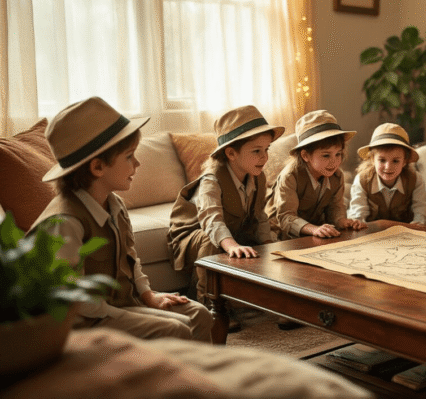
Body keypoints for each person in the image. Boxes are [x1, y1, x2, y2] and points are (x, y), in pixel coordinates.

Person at [29, 97, 213, 342]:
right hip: (87, 321)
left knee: (198, 314)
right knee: (175, 328)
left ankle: (199, 378)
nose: (137, 163)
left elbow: (130, 260)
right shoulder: (65, 222)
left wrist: (148, 296)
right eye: (129, 156)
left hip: (123, 304)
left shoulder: (115, 204)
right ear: (97, 167)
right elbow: (76, 302)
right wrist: (135, 315)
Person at [167, 105, 284, 306]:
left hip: (234, 229)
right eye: (256, 151)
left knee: (272, 233)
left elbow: (259, 215)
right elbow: (212, 221)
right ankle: (207, 301)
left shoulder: (258, 177)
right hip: (194, 238)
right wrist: (231, 245)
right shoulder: (211, 180)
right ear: (231, 153)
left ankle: (266, 296)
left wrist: (268, 245)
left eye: (266, 150)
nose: (264, 157)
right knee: (212, 240)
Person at [265, 109, 367, 240]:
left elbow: (335, 206)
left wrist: (342, 221)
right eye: (326, 155)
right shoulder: (290, 176)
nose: (334, 161)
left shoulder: (337, 176)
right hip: (281, 236)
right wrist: (313, 229)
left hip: (315, 233)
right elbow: (286, 218)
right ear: (305, 155)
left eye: (338, 154)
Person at [348, 123, 426, 226]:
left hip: (404, 234)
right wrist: (358, 223)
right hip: (372, 234)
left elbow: (421, 209)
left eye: (395, 161)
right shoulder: (362, 180)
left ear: (405, 161)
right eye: (382, 160)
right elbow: (358, 213)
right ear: (373, 159)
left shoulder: (415, 179)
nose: (388, 167)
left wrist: (418, 224)